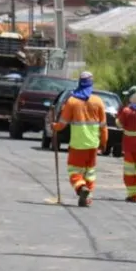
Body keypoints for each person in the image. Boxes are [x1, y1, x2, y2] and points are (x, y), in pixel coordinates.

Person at [52, 71, 108, 207]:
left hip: (77, 145)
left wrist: (54, 126)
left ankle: (81, 187)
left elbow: (62, 124)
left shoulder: (72, 101)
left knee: (74, 171)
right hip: (93, 145)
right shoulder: (98, 101)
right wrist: (104, 143)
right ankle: (87, 198)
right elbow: (104, 127)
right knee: (90, 172)